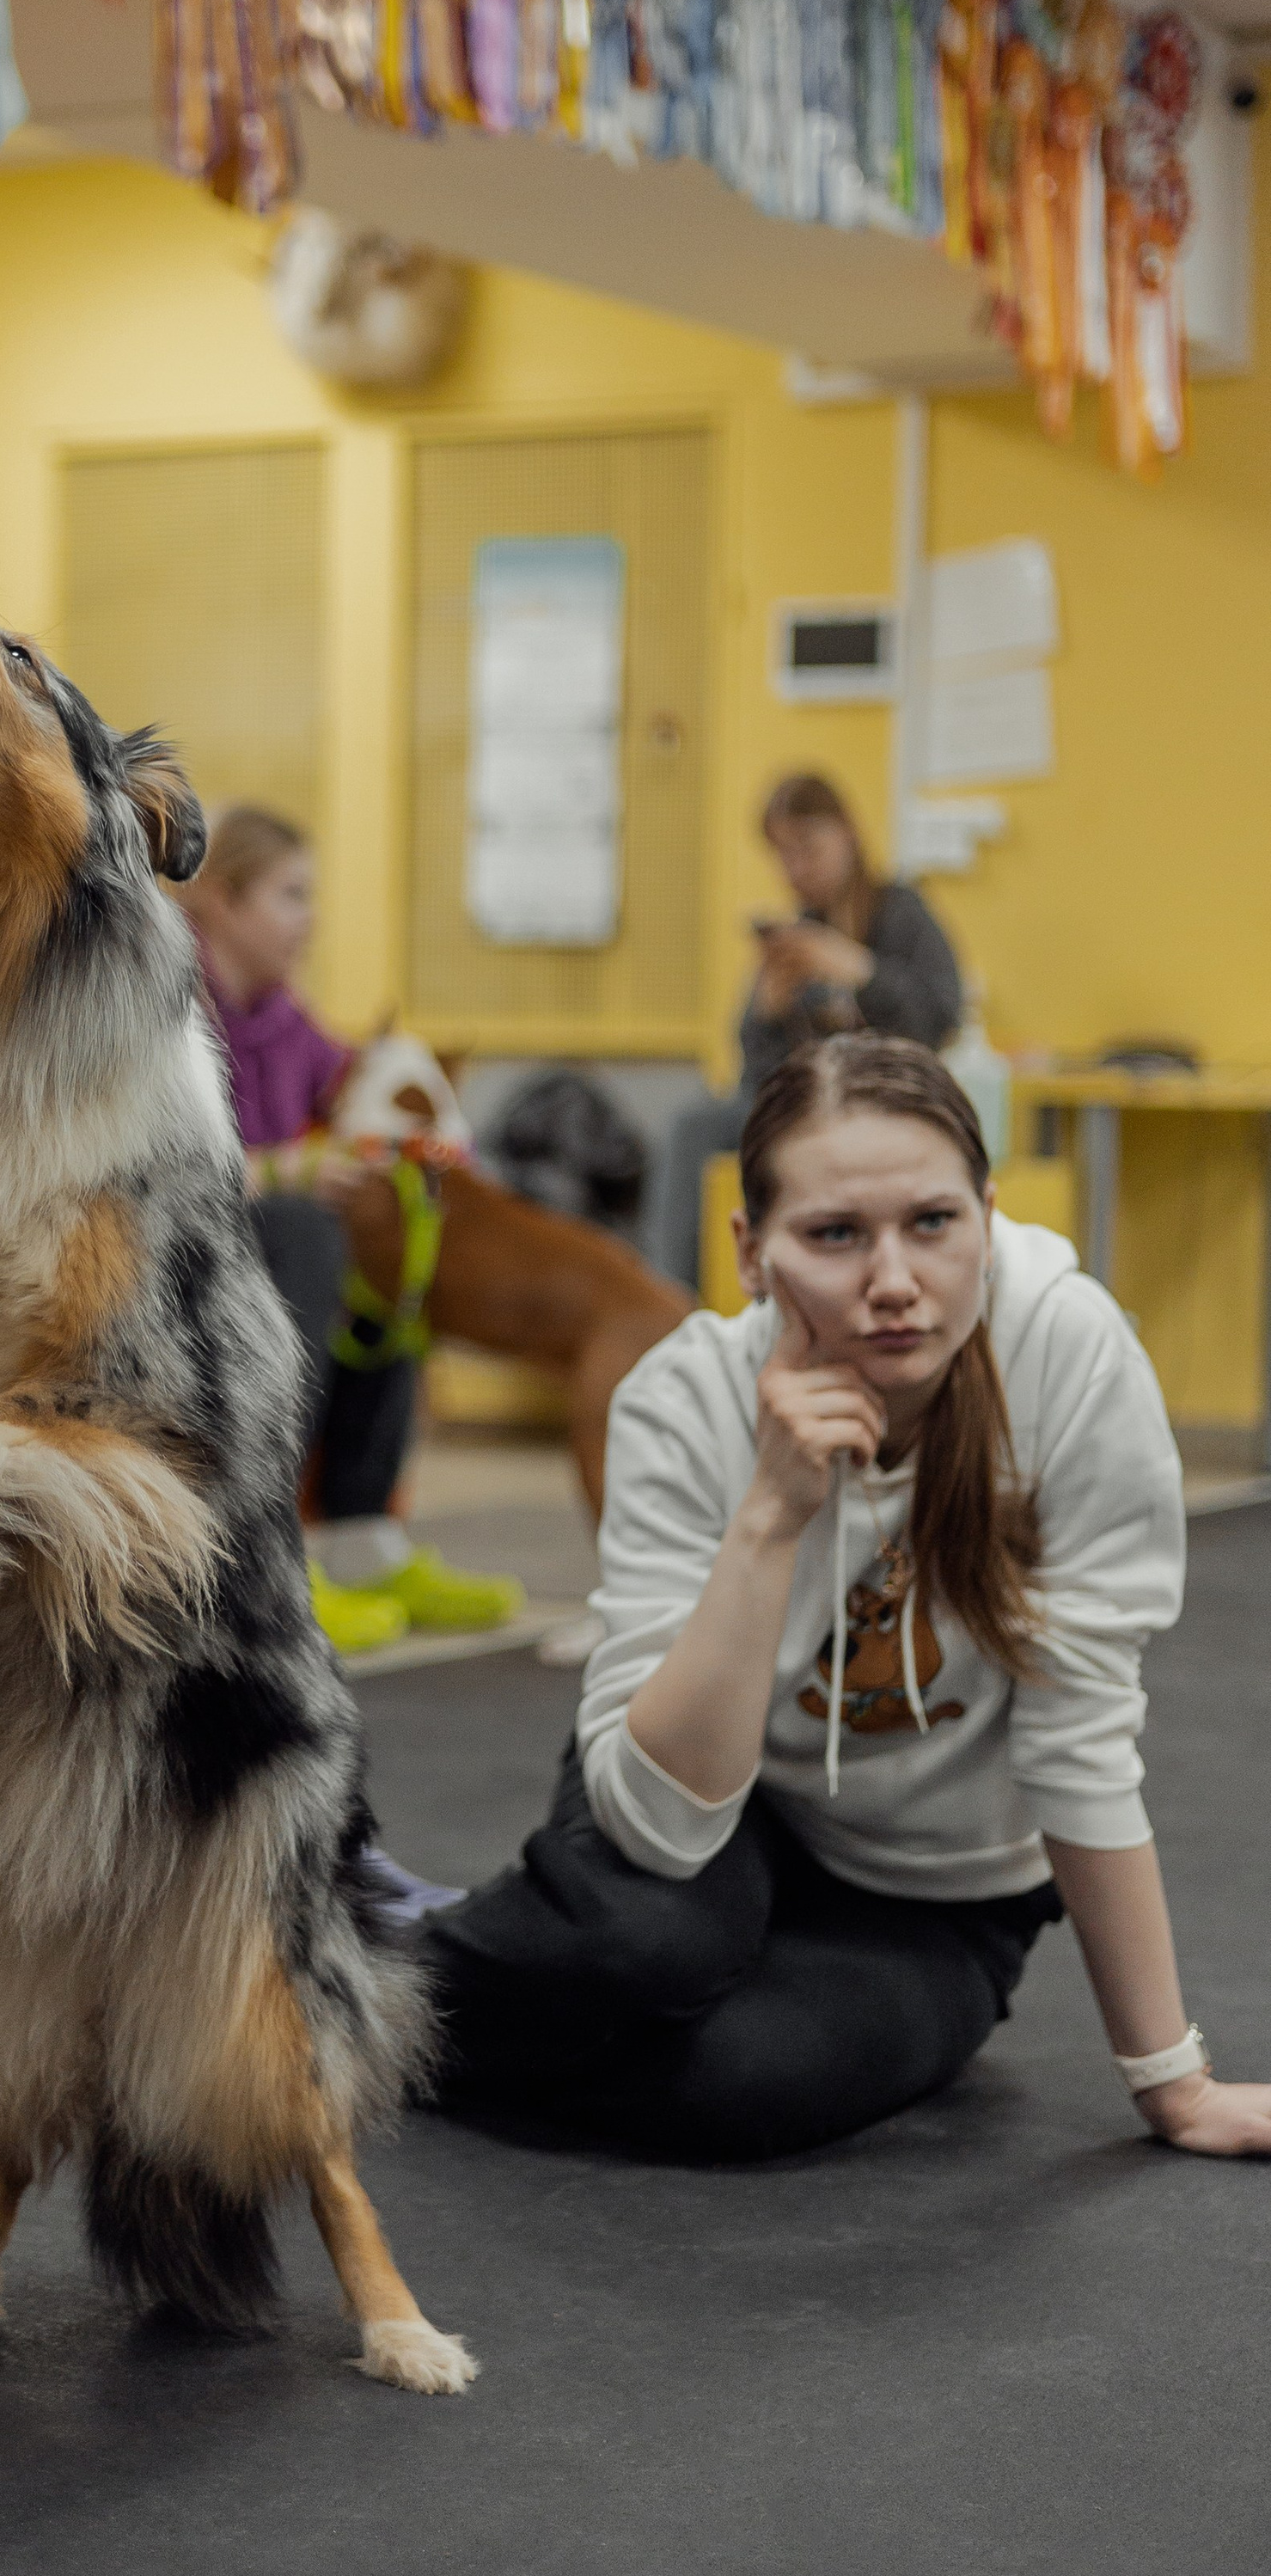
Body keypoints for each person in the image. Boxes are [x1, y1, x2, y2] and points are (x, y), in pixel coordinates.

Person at [425, 1032, 1271, 2165]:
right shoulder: (683, 1398)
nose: (894, 1282)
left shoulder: (1070, 1359)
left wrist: (1176, 2086)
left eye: (933, 1223)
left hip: (937, 1895)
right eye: (834, 1235)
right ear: (750, 1252)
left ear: (987, 1217)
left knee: (736, 2088)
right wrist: (772, 1514)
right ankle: (363, 1980)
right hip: (716, 1800)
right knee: (635, 1948)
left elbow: (1080, 1737)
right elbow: (659, 1829)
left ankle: (438, 2000)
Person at [181, 804, 522, 1658]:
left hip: (263, 1252)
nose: (311, 919)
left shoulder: (285, 1020)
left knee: (385, 1230)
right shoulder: (169, 1008)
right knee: (307, 1228)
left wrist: (413, 1127)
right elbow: (149, 1167)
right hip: (172, 1256)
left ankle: (362, 1537)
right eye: (290, 895)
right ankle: (265, 1551)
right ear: (221, 899)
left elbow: (359, 1085)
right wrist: (285, 1169)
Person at [648, 770, 963, 1291]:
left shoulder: (900, 914)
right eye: (783, 855)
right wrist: (766, 1010)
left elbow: (940, 1017)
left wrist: (859, 970)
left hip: (882, 1105)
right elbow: (752, 1071)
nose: (795, 868)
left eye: (808, 847)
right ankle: (675, 1300)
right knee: (696, 1126)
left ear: (846, 833)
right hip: (806, 1105)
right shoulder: (797, 933)